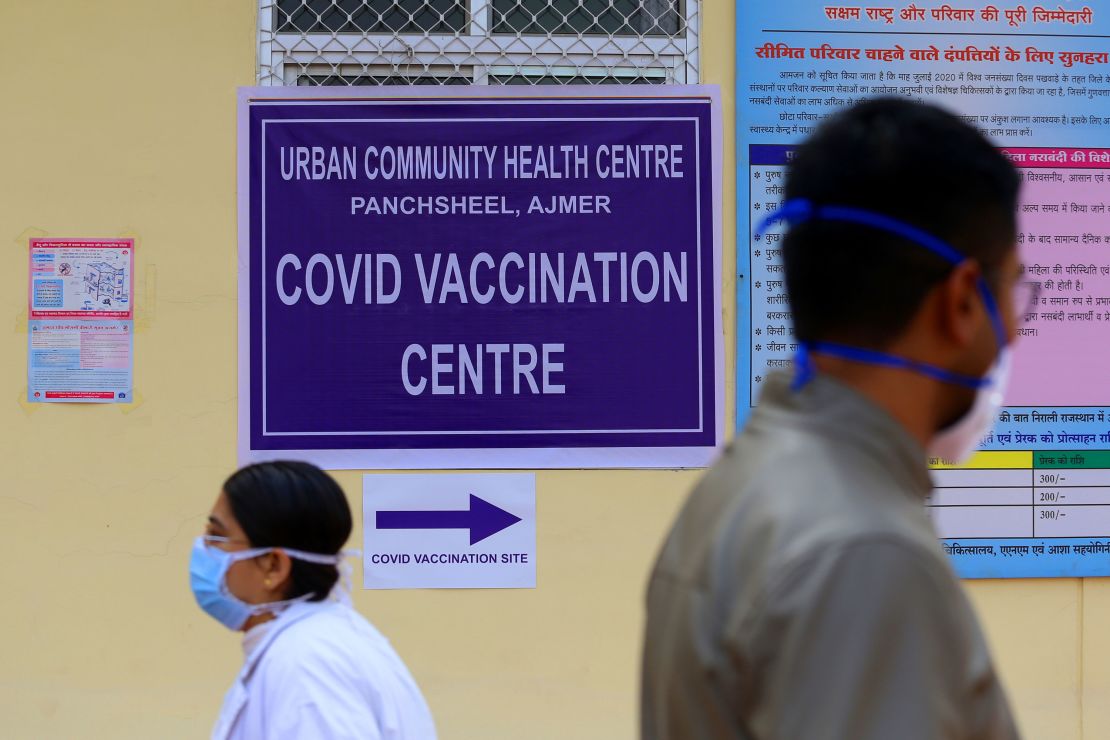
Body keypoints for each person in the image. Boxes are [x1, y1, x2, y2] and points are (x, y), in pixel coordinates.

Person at [642, 98, 1029, 739]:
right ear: (961, 300)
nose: (1015, 329)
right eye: (1013, 289)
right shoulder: (864, 552)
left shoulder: (747, 483)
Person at [191, 460, 437, 739]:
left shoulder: (305, 663)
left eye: (217, 537)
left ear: (274, 566)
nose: (203, 549)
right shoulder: (317, 640)